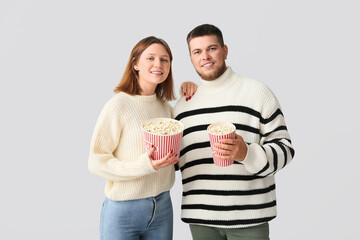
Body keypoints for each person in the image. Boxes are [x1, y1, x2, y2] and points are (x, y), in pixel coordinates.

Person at [173, 24, 295, 240]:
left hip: (250, 218)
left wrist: (246, 153)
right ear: (190, 58)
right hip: (200, 220)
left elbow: (285, 150)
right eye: (197, 52)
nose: (205, 57)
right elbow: (175, 162)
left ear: (225, 50)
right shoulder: (183, 106)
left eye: (212, 48)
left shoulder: (257, 93)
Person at [88, 36, 197, 240]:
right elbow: (96, 162)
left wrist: (192, 92)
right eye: (151, 58)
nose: (158, 64)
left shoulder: (166, 109)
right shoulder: (118, 105)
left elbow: (183, 148)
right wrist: (144, 165)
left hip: (163, 207)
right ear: (135, 64)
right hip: (123, 211)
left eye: (165, 59)